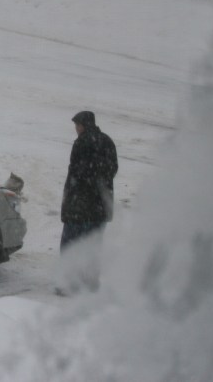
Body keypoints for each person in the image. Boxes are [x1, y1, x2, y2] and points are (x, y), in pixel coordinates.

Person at [57, 110, 118, 292]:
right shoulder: (107, 141)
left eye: (77, 125)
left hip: (79, 207)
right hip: (100, 209)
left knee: (71, 246)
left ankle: (67, 284)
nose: (76, 129)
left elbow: (76, 174)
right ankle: (90, 284)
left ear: (84, 125)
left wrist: (74, 197)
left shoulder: (82, 143)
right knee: (93, 246)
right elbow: (113, 169)